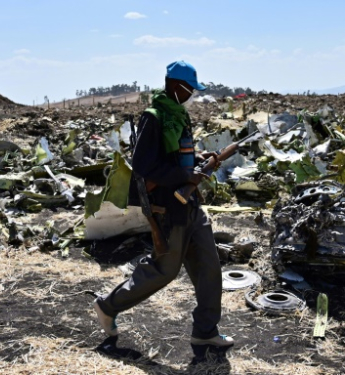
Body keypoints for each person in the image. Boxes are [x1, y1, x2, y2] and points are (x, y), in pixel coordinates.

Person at [93, 61, 234, 352]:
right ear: (174, 85)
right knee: (164, 270)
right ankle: (108, 306)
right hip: (169, 209)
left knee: (209, 266)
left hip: (191, 204)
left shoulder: (179, 116)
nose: (191, 95)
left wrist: (197, 162)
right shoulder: (154, 117)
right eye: (189, 89)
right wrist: (185, 175)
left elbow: (177, 159)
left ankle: (206, 331)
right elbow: (145, 167)